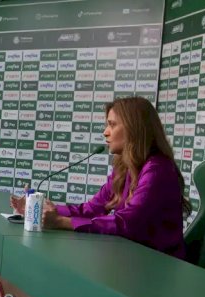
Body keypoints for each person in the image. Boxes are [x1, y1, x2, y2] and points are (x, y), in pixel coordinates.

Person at [10, 97, 190, 259]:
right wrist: (46, 209)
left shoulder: (157, 169)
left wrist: (60, 222)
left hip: (160, 265)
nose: (105, 132)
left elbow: (127, 224)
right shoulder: (125, 169)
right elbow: (92, 208)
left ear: (133, 128)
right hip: (133, 260)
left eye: (112, 125)